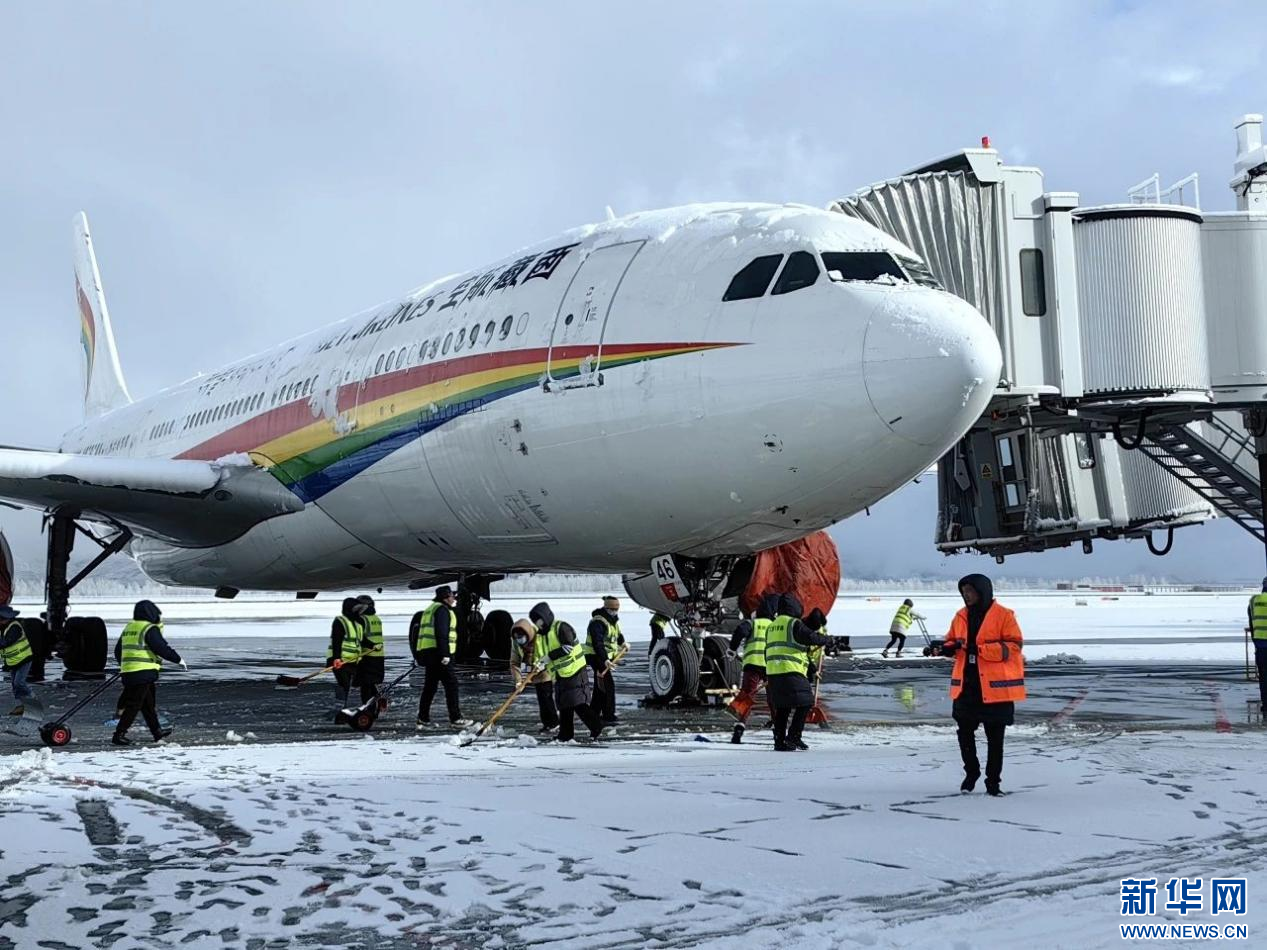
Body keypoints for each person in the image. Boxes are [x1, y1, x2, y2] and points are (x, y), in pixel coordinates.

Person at [941, 574, 1026, 796]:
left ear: (982, 591)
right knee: (964, 733)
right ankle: (972, 772)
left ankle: (993, 782)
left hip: (995, 690)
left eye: (970, 591)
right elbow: (952, 639)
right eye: (964, 592)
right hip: (967, 687)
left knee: (995, 739)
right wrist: (944, 647)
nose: (966, 595)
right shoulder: (960, 616)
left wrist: (981, 650)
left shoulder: (1004, 615)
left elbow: (1014, 646)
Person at [765, 593, 835, 752]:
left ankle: (780, 741)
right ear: (794, 607)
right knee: (806, 702)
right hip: (790, 670)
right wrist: (827, 640)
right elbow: (810, 637)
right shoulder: (793, 623)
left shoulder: (772, 626)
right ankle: (793, 737)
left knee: (783, 708)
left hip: (774, 672)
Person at [529, 601, 603, 742]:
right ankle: (566, 734)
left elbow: (568, 647)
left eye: (539, 620)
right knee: (563, 704)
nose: (538, 624)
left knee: (577, 702)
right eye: (535, 621)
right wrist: (538, 664)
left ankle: (596, 726)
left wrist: (549, 657)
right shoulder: (541, 636)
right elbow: (540, 654)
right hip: (560, 673)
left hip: (575, 670)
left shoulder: (562, 627)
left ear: (546, 617)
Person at [112, 600, 183, 746]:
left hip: (131, 672)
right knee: (134, 704)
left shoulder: (130, 627)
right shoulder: (149, 628)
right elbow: (160, 647)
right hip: (143, 672)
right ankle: (119, 734)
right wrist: (177, 659)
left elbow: (118, 650)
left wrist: (126, 665)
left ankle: (157, 732)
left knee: (148, 705)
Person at [413, 586, 472, 728]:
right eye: (452, 596)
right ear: (446, 597)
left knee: (430, 687)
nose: (454, 598)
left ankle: (423, 717)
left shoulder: (431, 609)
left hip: (430, 653)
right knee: (451, 685)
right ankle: (456, 718)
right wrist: (445, 654)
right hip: (439, 654)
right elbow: (442, 633)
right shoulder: (442, 611)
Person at [727, 594, 778, 744]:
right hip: (770, 667)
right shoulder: (775, 626)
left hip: (752, 665)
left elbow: (740, 631)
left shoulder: (753, 623)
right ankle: (778, 730)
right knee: (773, 699)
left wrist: (732, 649)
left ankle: (739, 728)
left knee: (747, 696)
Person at [511, 618, 559, 733]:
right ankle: (548, 723)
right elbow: (514, 662)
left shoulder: (540, 637)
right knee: (541, 698)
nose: (519, 639)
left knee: (545, 696)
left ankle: (553, 723)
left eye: (521, 637)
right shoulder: (516, 643)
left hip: (545, 669)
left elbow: (551, 653)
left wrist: (543, 665)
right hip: (530, 668)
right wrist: (519, 680)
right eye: (517, 637)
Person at [585, 596, 626, 725]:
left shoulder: (612, 621)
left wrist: (623, 642)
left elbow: (617, 635)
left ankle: (593, 712)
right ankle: (608, 716)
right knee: (608, 686)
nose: (614, 612)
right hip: (596, 656)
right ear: (606, 608)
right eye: (612, 609)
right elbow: (598, 644)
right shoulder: (598, 622)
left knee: (600, 686)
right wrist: (605, 660)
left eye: (616, 609)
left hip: (604, 658)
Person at [329, 597, 372, 711]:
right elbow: (336, 640)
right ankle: (340, 709)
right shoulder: (340, 621)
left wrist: (374, 645)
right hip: (340, 661)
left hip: (353, 661)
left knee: (355, 685)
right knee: (344, 685)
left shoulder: (358, 624)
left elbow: (362, 640)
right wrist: (336, 658)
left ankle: (351, 708)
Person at [1, 605, 34, 715]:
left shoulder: (14, 627)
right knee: (15, 685)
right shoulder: (3, 627)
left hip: (24, 659)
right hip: (13, 661)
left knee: (19, 683)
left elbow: (6, 642)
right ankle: (22, 705)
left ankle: (33, 703)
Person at [356, 594, 385, 701]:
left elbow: (360, 638)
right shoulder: (376, 618)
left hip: (367, 656)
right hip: (379, 656)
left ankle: (367, 707)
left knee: (365, 685)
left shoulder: (361, 619)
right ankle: (378, 701)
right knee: (372, 683)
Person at [1247, 578, 1267, 715]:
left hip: (1261, 645)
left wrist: (1256, 641)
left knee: (1264, 677)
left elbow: (1252, 623)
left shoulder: (1254, 601)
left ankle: (1266, 705)